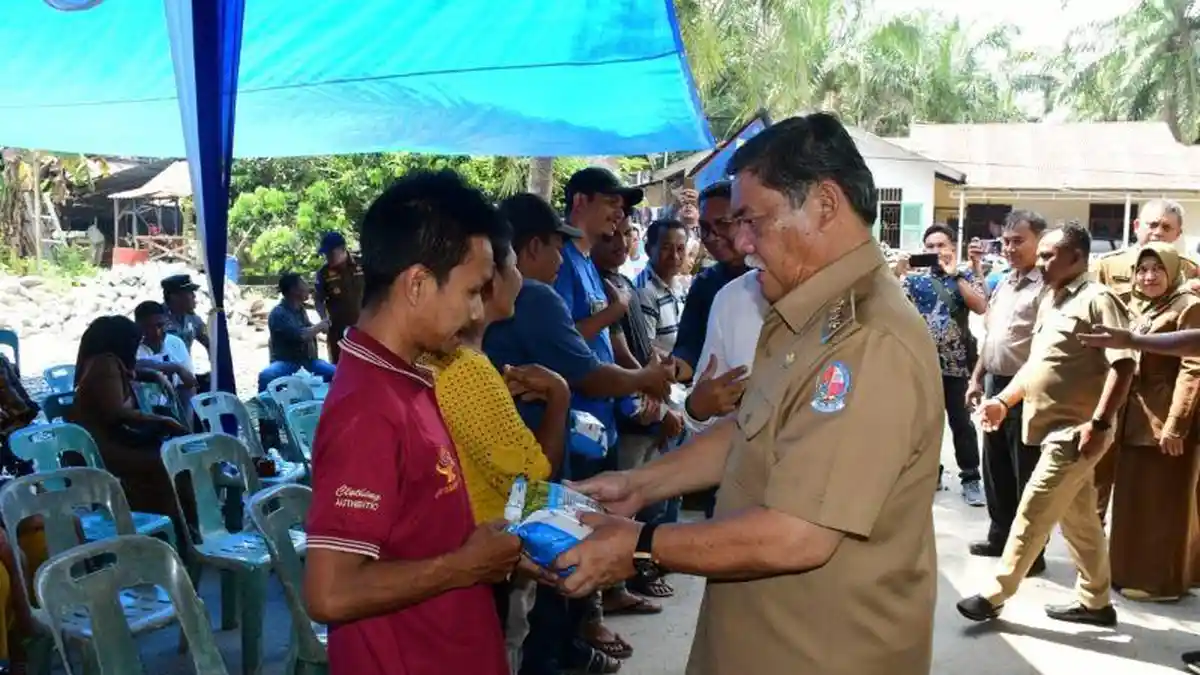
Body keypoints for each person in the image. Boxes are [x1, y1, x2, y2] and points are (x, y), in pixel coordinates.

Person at [557, 113, 944, 675]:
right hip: (760, 639)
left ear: (824, 205)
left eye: (751, 220)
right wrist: (638, 485)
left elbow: (797, 536)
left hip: (821, 653)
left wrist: (640, 545)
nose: (737, 242)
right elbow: (749, 429)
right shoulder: (803, 312)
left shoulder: (868, 340)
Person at [303, 170, 525, 675]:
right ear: (419, 283)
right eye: (472, 292)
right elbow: (330, 592)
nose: (475, 314)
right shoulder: (368, 409)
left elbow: (419, 528)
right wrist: (463, 566)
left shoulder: (408, 377)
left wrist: (488, 550)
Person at [484, 192, 673, 675]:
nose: (559, 259)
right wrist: (643, 380)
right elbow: (586, 373)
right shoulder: (534, 296)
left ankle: (566, 648)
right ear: (527, 251)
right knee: (546, 571)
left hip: (539, 452)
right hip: (534, 459)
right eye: (553, 248)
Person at [959, 224, 1134, 627]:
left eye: (1050, 255)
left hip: (1076, 432)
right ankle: (1096, 603)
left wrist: (1101, 423)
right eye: (1043, 255)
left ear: (1077, 257)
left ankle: (995, 593)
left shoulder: (1098, 300)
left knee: (1032, 511)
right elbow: (1038, 366)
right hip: (1046, 426)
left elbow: (1123, 365)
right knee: (1081, 523)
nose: (1042, 261)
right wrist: (1004, 400)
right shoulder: (1052, 298)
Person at [425, 224, 568, 674]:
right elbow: (533, 474)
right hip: (484, 550)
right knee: (503, 646)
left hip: (450, 543)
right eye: (509, 267)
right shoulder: (469, 371)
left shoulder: (435, 360)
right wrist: (559, 396)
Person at [1091, 199, 1198, 518]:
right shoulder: (1109, 266)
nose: (1158, 232)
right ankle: (1091, 566)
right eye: (1152, 225)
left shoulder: (1189, 274)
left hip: (1153, 405)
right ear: (1137, 227)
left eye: (1167, 227)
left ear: (1179, 233)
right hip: (1108, 394)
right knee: (1094, 485)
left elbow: (1192, 361)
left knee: (1144, 499)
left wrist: (1177, 422)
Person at [1106, 243, 1200, 601]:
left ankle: (1161, 582)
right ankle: (1130, 572)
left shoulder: (1188, 306)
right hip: (1135, 417)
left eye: (1157, 270)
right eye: (1142, 269)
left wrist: (1177, 424)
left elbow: (1193, 368)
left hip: (1165, 420)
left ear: (1173, 271)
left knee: (1164, 504)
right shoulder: (1140, 306)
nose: (1148, 276)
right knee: (1134, 501)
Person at [964, 210, 1049, 571]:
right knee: (994, 465)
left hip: (1024, 388)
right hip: (992, 383)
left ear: (1040, 242)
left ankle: (1030, 553)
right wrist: (975, 378)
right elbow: (991, 338)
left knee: (1024, 471)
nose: (1010, 248)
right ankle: (1000, 535)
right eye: (1006, 241)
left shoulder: (1047, 287)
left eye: (1019, 241)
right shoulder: (1005, 283)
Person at [67, 315, 191, 547]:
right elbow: (117, 413)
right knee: (169, 463)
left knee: (175, 458)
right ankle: (175, 531)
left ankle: (179, 525)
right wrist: (162, 420)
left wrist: (153, 374)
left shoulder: (104, 362)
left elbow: (132, 372)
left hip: (110, 441)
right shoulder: (105, 364)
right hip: (103, 448)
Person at [894, 223, 988, 505]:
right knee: (924, 424)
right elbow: (894, 312)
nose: (936, 251)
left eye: (941, 245)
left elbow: (981, 306)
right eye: (930, 247)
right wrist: (897, 274)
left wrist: (956, 273)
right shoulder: (913, 280)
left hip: (957, 366)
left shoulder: (962, 276)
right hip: (921, 365)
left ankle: (971, 478)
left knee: (961, 423)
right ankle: (929, 474)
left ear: (951, 248)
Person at [671, 181, 747, 373]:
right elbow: (690, 349)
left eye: (723, 224)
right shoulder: (705, 283)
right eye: (704, 227)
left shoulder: (774, 279)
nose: (712, 236)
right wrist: (673, 369)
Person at [258, 273, 335, 392]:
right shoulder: (278, 313)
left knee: (338, 373)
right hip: (287, 363)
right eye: (303, 284)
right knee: (266, 376)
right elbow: (301, 335)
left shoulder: (300, 310)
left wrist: (321, 327)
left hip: (309, 362)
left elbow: (309, 329)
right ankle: (263, 407)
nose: (307, 288)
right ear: (294, 290)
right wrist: (320, 326)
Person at [634, 219, 691, 361]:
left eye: (680, 249)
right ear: (648, 250)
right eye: (666, 247)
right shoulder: (644, 291)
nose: (675, 256)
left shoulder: (679, 285)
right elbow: (646, 349)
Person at [134, 300, 197, 412]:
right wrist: (169, 367)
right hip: (141, 409)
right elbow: (131, 367)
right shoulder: (130, 346)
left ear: (166, 322)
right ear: (138, 326)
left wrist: (178, 369)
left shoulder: (175, 343)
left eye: (160, 325)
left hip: (172, 407)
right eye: (148, 327)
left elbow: (190, 383)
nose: (157, 332)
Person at [313, 231, 364, 364]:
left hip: (365, 327)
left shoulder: (363, 264)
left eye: (331, 253)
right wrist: (324, 318)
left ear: (343, 249)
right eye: (325, 254)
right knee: (338, 367)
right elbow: (318, 299)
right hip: (338, 329)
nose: (328, 257)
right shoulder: (323, 273)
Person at [161, 273, 211, 390]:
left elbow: (210, 343)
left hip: (185, 376)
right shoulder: (157, 318)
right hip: (163, 376)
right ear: (174, 296)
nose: (194, 297)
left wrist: (215, 368)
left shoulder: (194, 319)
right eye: (189, 293)